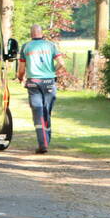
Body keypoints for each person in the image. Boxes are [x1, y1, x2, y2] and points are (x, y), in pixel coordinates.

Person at [16, 24, 66, 154]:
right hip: (49, 82)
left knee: (38, 111)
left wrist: (20, 78)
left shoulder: (26, 46)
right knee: (46, 111)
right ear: (42, 33)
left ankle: (42, 143)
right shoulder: (51, 45)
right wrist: (52, 72)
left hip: (34, 83)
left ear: (31, 34)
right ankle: (46, 140)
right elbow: (62, 63)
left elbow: (21, 69)